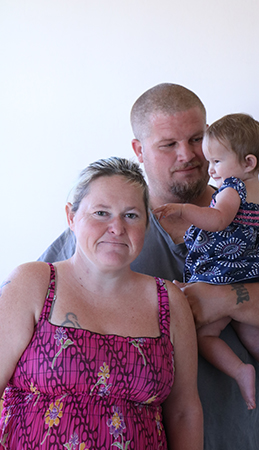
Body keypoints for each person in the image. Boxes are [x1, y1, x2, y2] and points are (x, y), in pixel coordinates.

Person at [38, 83, 259, 450]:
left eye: (196, 138)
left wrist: (223, 300)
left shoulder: (250, 216)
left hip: (233, 439)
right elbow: (33, 312)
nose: (187, 155)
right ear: (139, 150)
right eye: (168, 145)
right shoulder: (108, 230)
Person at [0, 157, 203, 450]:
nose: (117, 228)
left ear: (146, 224)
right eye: (101, 213)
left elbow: (184, 413)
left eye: (131, 215)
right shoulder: (33, 283)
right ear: (71, 217)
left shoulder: (169, 302)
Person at [153, 113, 259, 421]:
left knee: (206, 335)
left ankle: (239, 370)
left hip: (222, 273)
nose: (210, 170)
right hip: (257, 274)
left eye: (216, 162)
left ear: (248, 162)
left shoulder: (231, 189)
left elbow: (218, 219)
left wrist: (185, 211)